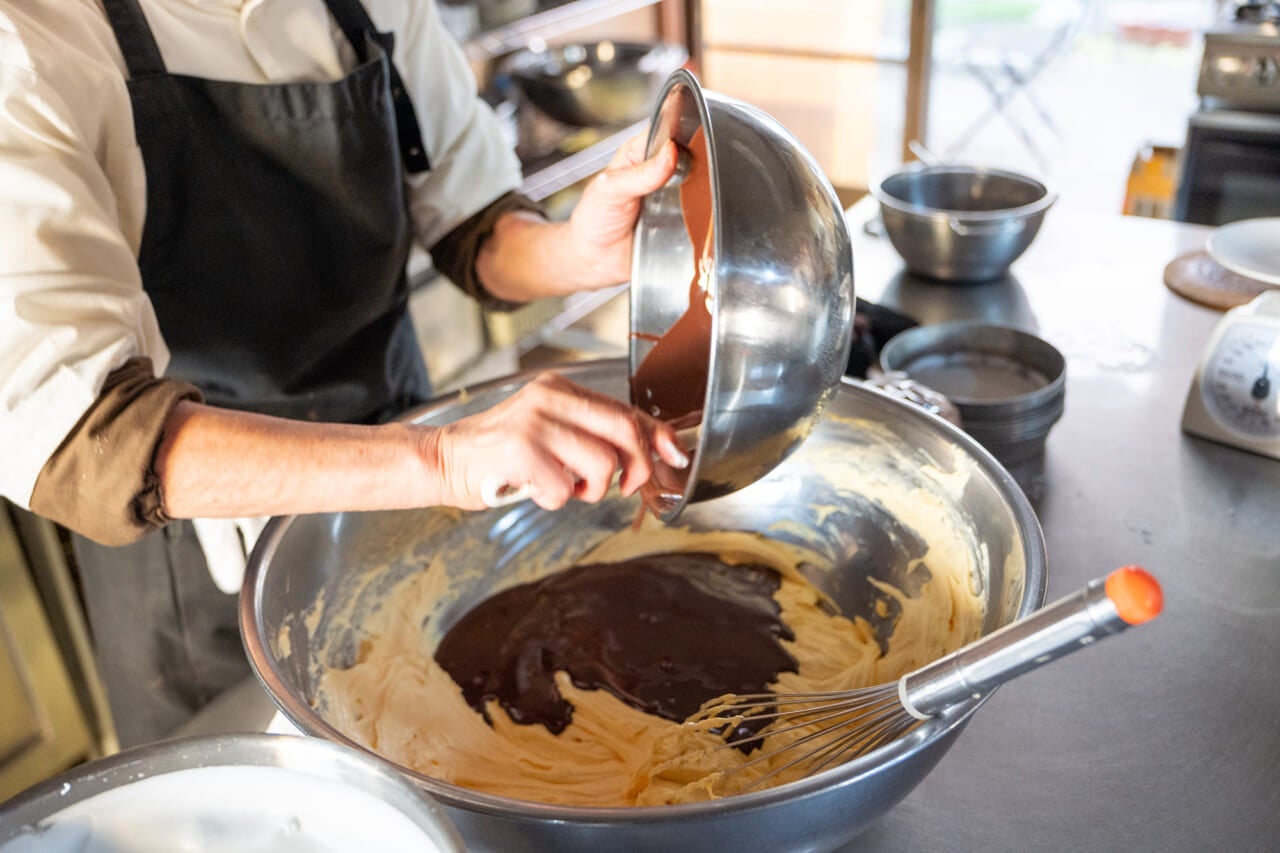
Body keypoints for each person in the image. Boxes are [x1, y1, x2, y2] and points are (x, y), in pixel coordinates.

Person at [0, 0, 686, 747]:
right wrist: (442, 456)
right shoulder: (34, 43)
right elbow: (82, 440)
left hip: (411, 490)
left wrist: (572, 252)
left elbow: (473, 222)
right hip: (203, 566)